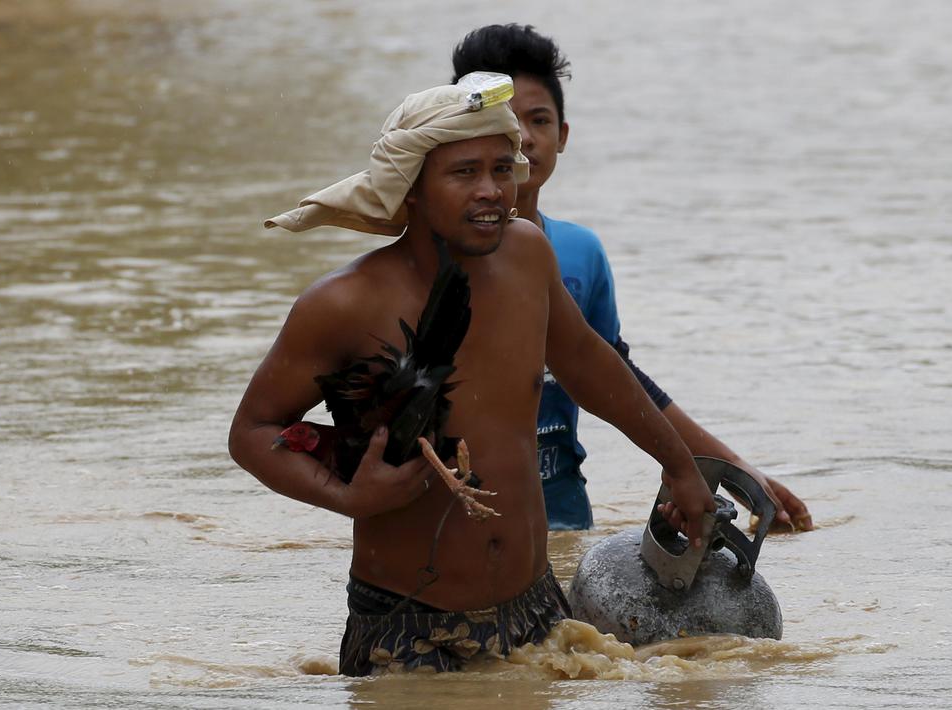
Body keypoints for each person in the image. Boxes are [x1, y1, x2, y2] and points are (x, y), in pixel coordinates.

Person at [228, 73, 715, 675]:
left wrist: (679, 465)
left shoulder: (528, 254)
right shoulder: (342, 304)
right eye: (464, 173)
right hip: (409, 627)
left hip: (538, 611)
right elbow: (252, 433)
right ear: (411, 188)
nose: (491, 191)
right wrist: (347, 496)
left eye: (501, 169)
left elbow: (588, 363)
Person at [451, 25, 813, 532]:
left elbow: (617, 382)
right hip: (455, 536)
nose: (526, 138)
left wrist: (733, 474)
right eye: (508, 122)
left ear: (563, 135)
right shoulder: (426, 263)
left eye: (539, 120)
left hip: (561, 525)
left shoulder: (579, 254)